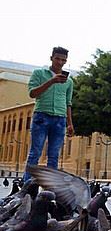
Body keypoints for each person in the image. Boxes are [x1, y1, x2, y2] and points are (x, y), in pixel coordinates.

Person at [23, 46, 74, 181]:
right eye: (57, 58)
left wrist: (70, 124)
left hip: (60, 119)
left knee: (54, 155)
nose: (60, 62)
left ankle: (51, 188)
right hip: (41, 116)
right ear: (51, 58)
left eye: (63, 60)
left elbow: (68, 103)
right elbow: (32, 93)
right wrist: (52, 81)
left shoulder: (68, 81)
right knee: (35, 152)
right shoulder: (39, 73)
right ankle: (27, 186)